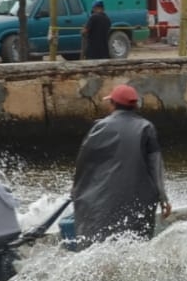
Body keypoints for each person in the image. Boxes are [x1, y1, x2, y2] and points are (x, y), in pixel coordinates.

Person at [70, 83, 172, 246]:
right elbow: (156, 166)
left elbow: (84, 165)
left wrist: (76, 192)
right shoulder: (146, 127)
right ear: (135, 106)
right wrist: (163, 198)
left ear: (112, 104)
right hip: (139, 199)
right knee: (137, 241)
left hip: (103, 199)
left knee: (102, 239)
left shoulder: (99, 127)